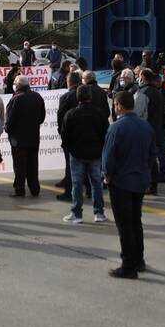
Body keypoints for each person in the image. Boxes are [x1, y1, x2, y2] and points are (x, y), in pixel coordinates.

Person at [103, 91, 153, 279]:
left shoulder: (116, 128)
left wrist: (107, 175)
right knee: (136, 221)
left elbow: (108, 156)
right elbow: (152, 154)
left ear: (119, 106)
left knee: (124, 225)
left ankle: (128, 265)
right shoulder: (145, 125)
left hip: (121, 181)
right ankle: (139, 260)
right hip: (139, 180)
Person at [60, 84, 109, 224]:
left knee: (77, 184)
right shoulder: (99, 113)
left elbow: (65, 135)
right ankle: (99, 213)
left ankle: (76, 213)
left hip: (77, 153)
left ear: (78, 98)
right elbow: (106, 133)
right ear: (90, 97)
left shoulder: (71, 114)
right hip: (95, 154)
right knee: (96, 183)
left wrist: (69, 148)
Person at [5, 75, 46, 197]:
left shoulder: (16, 99)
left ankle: (20, 189)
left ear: (17, 86)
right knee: (33, 165)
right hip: (33, 137)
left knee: (19, 166)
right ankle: (35, 189)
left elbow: (10, 121)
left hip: (18, 140)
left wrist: (7, 129)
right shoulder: (37, 97)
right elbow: (42, 117)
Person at [53, 71, 81, 200]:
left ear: (69, 82)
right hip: (84, 135)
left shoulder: (66, 97)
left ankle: (69, 192)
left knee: (70, 165)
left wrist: (62, 134)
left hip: (70, 136)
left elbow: (60, 118)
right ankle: (88, 190)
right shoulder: (84, 94)